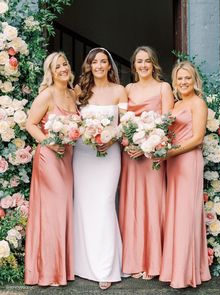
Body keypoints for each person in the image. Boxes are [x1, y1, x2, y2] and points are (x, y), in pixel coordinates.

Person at [73, 48, 128, 290]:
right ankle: (81, 264)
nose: (98, 65)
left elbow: (126, 124)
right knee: (84, 206)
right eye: (94, 62)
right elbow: (70, 120)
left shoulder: (119, 91)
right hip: (83, 155)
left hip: (109, 154)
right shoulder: (79, 90)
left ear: (109, 66)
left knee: (105, 204)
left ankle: (106, 268)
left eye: (103, 61)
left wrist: (112, 136)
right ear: (89, 65)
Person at [119, 46, 174, 279]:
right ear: (133, 65)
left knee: (153, 204)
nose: (143, 65)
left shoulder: (164, 88)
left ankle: (153, 263)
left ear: (154, 64)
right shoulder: (127, 89)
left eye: (147, 61)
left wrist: (148, 146)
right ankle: (133, 261)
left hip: (152, 156)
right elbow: (121, 121)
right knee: (132, 206)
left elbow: (168, 123)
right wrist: (127, 143)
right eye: (139, 61)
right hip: (131, 156)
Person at [24, 52, 77, 286]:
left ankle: (61, 269)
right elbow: (30, 123)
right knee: (53, 211)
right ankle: (49, 272)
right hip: (48, 158)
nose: (63, 68)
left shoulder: (73, 93)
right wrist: (48, 141)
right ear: (51, 72)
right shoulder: (46, 95)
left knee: (63, 209)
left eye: (64, 64)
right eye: (57, 66)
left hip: (67, 158)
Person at [159, 61, 211, 288]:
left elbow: (197, 138)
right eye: (179, 79)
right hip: (173, 163)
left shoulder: (198, 103)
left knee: (186, 215)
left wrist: (171, 152)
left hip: (188, 161)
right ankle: (174, 270)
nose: (183, 82)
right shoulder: (176, 105)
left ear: (194, 80)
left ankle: (186, 274)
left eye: (187, 78)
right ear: (174, 82)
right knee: (175, 214)